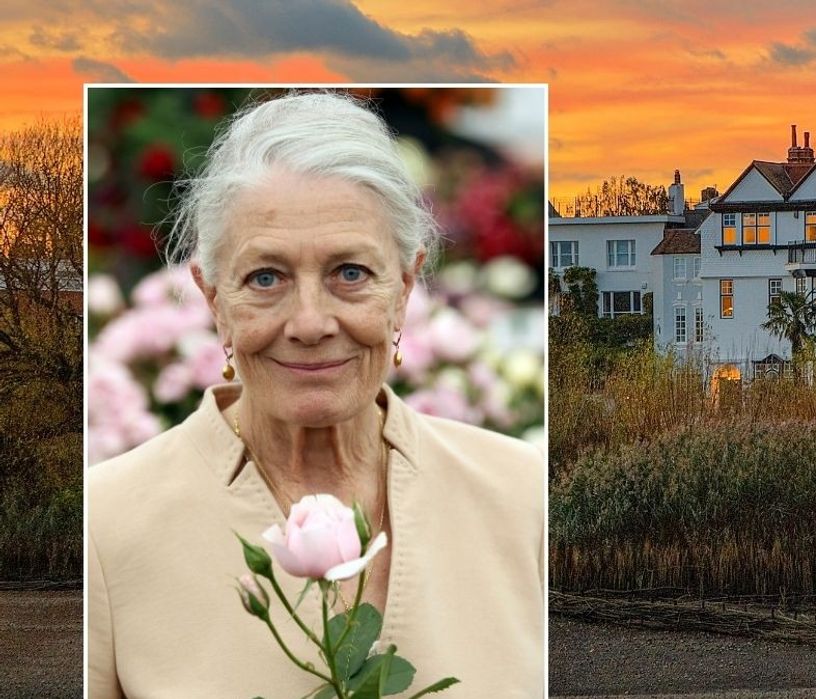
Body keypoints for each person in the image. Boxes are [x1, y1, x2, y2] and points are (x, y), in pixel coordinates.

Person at [87, 91, 544, 698]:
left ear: (405, 288)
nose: (309, 322)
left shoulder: (522, 494)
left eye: (349, 273)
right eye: (266, 278)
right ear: (214, 300)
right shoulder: (104, 526)